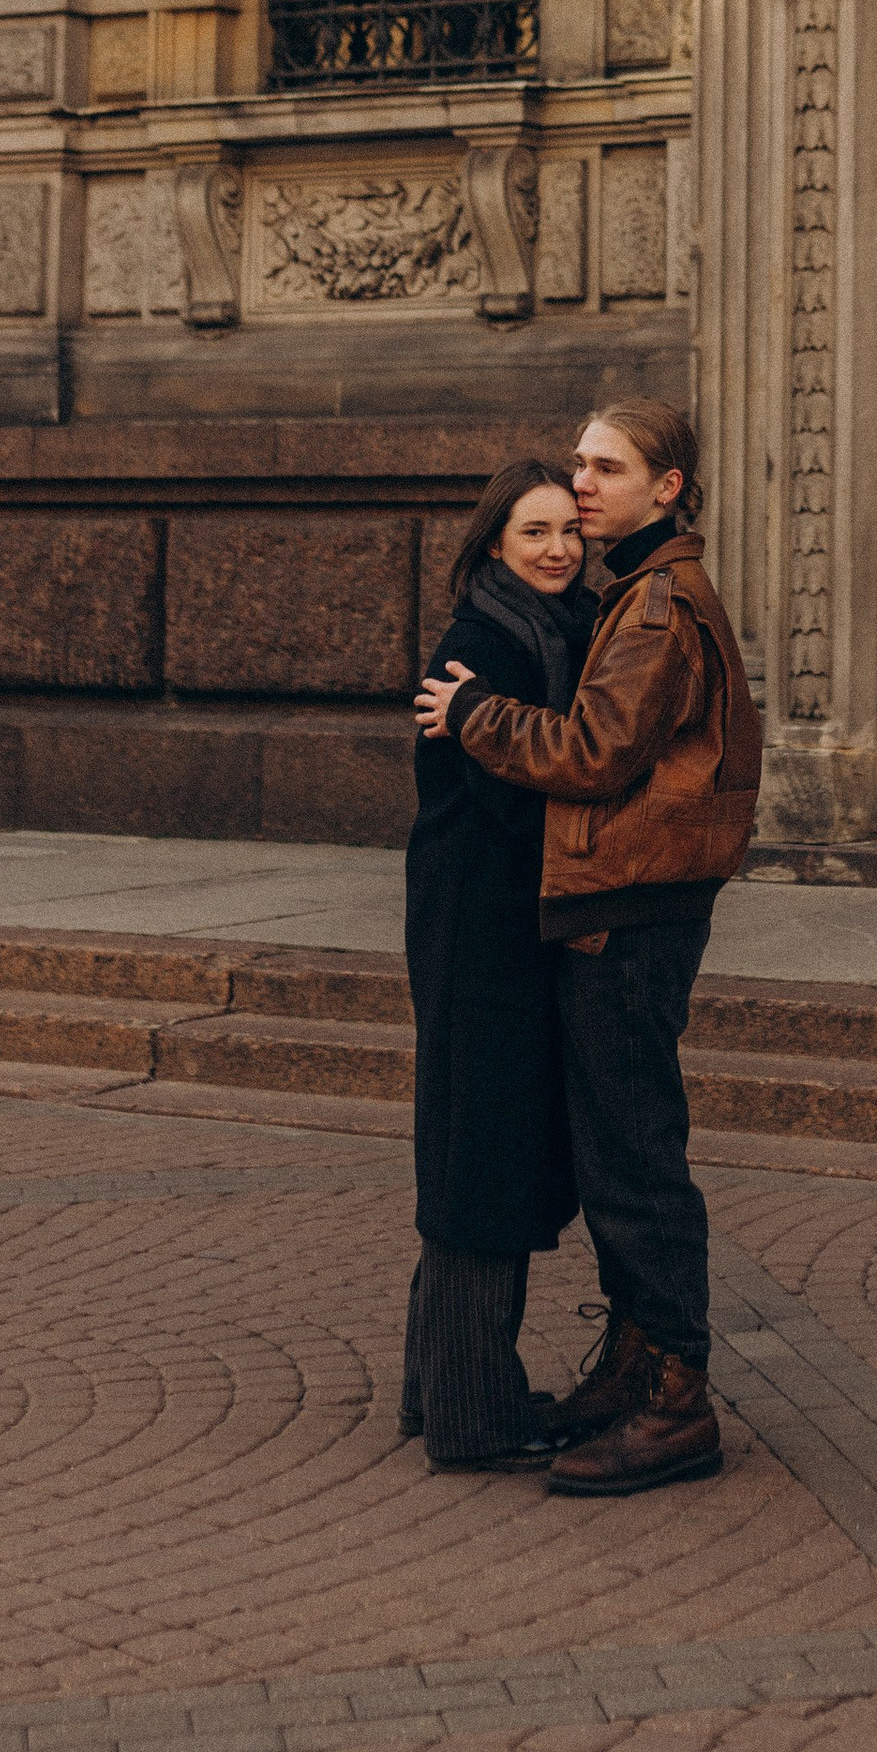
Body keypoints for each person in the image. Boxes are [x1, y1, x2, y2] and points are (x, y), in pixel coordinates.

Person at [414, 399, 760, 1498]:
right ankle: (630, 1368)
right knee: (618, 1153)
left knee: (635, 1160)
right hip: (620, 903)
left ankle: (672, 1403)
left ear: (668, 489)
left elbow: (597, 752)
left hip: (632, 910)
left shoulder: (653, 605)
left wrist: (472, 715)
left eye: (606, 471)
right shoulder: (627, 596)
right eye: (577, 469)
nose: (583, 492)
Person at [398, 454, 599, 1473]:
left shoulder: (553, 629)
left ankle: (433, 1384)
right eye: (535, 532)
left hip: (493, 920)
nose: (559, 548)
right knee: (485, 1154)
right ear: (492, 547)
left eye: (569, 529)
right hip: (485, 928)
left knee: (474, 1141)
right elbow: (519, 803)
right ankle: (472, 1416)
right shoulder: (488, 643)